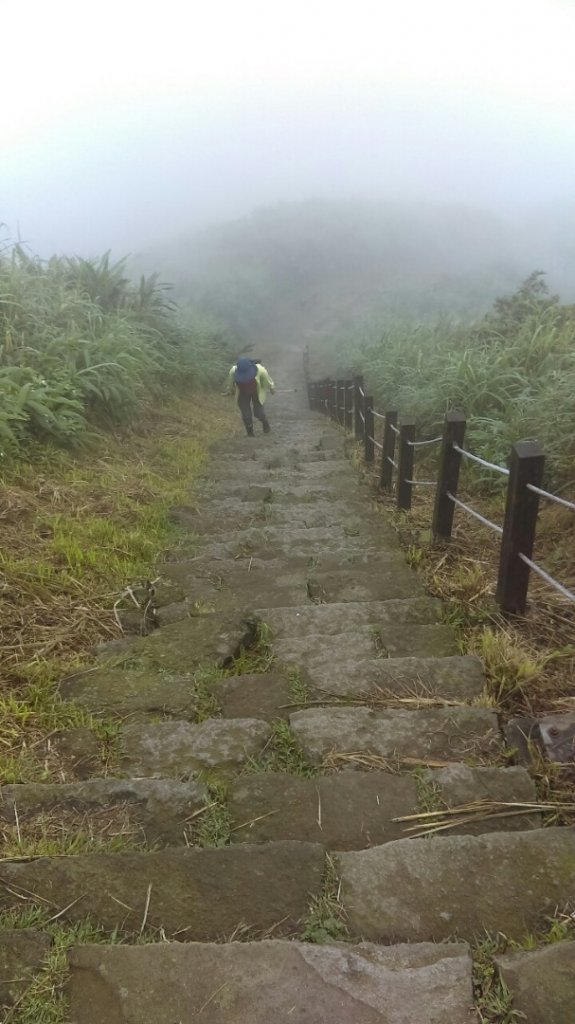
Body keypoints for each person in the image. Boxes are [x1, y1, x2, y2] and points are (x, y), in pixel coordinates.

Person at [226, 357, 275, 436]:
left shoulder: (260, 370)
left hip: (256, 391)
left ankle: (264, 421)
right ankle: (250, 432)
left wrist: (272, 388)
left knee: (258, 412)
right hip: (242, 392)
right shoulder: (233, 371)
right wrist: (229, 391)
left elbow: (268, 381)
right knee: (246, 414)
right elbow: (230, 383)